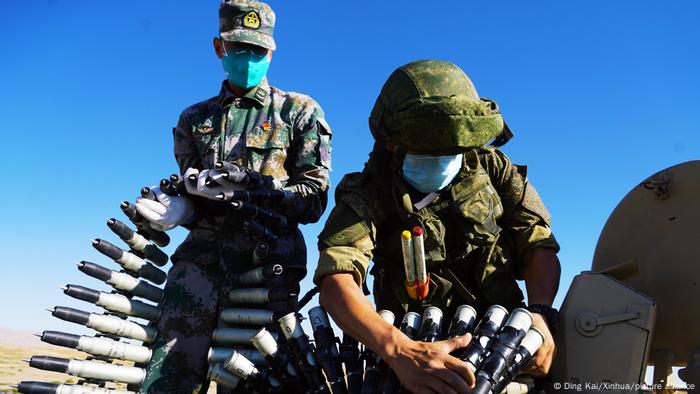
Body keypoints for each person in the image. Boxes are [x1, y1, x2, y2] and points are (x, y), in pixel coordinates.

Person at [314, 60, 560, 394]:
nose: (442, 157)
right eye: (427, 148)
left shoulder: (493, 170)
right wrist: (398, 350)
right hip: (412, 357)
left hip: (501, 347)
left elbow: (537, 243)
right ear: (392, 141)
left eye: (451, 148)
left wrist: (540, 316)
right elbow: (336, 277)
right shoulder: (370, 192)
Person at [132, 1, 332, 392]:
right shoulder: (194, 119)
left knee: (252, 378)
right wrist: (180, 208)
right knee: (168, 371)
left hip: (268, 263)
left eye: (258, 50)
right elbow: (191, 187)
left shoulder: (299, 112)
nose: (249, 57)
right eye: (239, 47)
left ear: (272, 52)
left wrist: (261, 192)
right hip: (201, 262)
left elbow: (313, 200)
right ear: (219, 47)